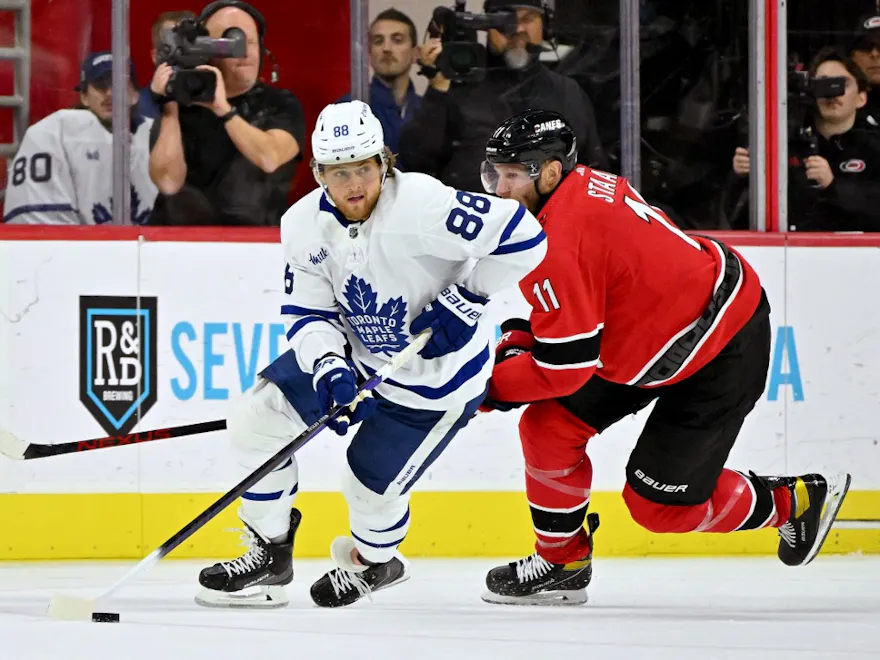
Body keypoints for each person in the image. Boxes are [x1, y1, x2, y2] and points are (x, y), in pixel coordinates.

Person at [476, 109, 852, 606]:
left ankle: (794, 500)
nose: (499, 190)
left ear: (550, 172)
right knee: (549, 429)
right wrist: (531, 339)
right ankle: (563, 562)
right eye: (494, 174)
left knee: (659, 507)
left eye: (513, 176)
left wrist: (487, 389)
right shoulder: (581, 185)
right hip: (651, 335)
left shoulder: (557, 240)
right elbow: (596, 291)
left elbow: (563, 366)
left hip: (721, 341)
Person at [194, 100, 546, 609]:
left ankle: (376, 562)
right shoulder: (301, 225)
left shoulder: (424, 205)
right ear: (318, 175)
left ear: (385, 162)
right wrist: (330, 366)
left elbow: (525, 236)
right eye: (339, 173)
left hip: (435, 378)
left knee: (366, 491)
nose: (354, 184)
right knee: (257, 420)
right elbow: (308, 313)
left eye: (364, 168)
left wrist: (469, 295)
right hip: (360, 357)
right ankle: (270, 555)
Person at [399, 0, 605, 193]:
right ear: (487, 26)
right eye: (504, 21)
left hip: (550, 226)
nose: (517, 30)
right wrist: (437, 90)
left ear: (546, 25)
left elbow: (595, 175)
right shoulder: (454, 87)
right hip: (473, 226)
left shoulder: (568, 92)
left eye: (528, 19)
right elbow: (415, 162)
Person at [148, 0, 305, 226]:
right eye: (231, 42)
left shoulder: (280, 104)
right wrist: (170, 108)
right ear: (205, 50)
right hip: (182, 244)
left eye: (249, 42)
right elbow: (168, 182)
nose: (244, 53)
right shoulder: (180, 107)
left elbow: (270, 157)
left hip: (256, 244)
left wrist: (222, 108)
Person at [733, 48, 880, 232]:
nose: (832, 93)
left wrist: (834, 186)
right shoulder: (785, 142)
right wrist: (741, 176)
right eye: (823, 83)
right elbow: (735, 218)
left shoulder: (873, 147)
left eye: (841, 84)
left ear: (861, 98)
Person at [4, 52, 156, 225]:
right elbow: (40, 227)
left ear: (135, 95)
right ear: (84, 97)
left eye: (119, 85)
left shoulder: (157, 136)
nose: (110, 93)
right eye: (100, 86)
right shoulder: (58, 131)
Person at [340, 8, 421, 160]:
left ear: (415, 53)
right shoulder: (347, 108)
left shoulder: (428, 110)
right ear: (369, 53)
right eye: (378, 41)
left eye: (397, 40)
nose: (387, 48)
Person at [137, 10, 198, 120]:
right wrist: (156, 97)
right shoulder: (137, 107)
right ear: (155, 56)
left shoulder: (216, 95)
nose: (180, 56)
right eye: (170, 48)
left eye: (187, 47)